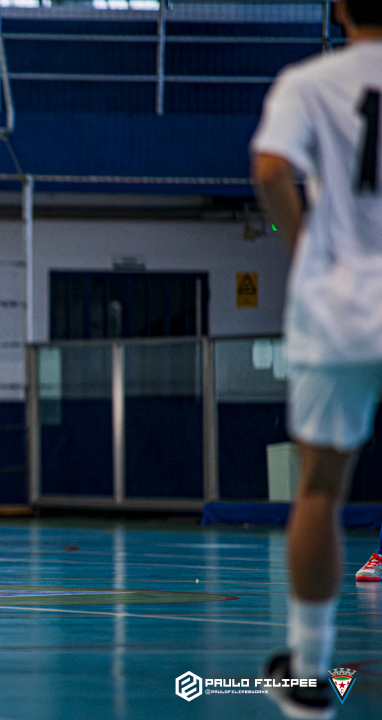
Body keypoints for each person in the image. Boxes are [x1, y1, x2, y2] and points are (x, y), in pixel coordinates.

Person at [250, 1, 382, 717]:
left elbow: (272, 168)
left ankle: (307, 670)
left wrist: (302, 244)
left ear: (339, 7)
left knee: (322, 490)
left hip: (337, 309)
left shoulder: (309, 82)